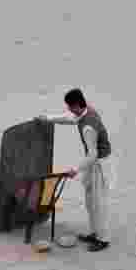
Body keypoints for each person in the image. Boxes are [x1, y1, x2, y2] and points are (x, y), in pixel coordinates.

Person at [38, 88, 113, 252]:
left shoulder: (88, 127)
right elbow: (69, 118)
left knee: (98, 201)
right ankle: (95, 233)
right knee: (90, 199)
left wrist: (75, 169)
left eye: (70, 106)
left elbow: (93, 154)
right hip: (93, 162)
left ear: (78, 104)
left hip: (99, 163)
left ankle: (103, 239)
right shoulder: (86, 111)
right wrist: (48, 118)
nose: (69, 110)